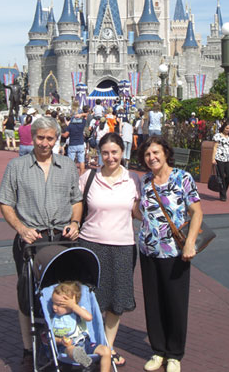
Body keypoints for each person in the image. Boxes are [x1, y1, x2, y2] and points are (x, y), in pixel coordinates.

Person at [0, 116, 83, 370]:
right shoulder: (16, 166)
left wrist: (75, 223)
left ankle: (64, 342)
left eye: (50, 138)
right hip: (31, 239)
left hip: (62, 238)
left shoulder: (67, 166)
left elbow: (76, 200)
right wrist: (21, 228)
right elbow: (5, 202)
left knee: (64, 294)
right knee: (26, 295)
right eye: (40, 137)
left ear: (57, 139)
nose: (45, 143)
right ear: (31, 137)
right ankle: (28, 347)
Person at [137, 136, 203, 372]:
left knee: (175, 302)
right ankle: (158, 351)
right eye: (147, 154)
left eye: (155, 152)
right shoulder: (144, 180)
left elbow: (196, 212)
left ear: (165, 153)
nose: (151, 158)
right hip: (148, 250)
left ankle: (174, 354)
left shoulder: (182, 178)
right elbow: (140, 211)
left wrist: (190, 243)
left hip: (175, 252)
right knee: (153, 302)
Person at [78, 132, 140, 367]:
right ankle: (90, 343)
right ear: (99, 154)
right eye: (105, 153)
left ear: (122, 153)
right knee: (90, 299)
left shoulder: (133, 179)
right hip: (90, 244)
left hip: (123, 246)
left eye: (114, 152)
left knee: (116, 300)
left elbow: (137, 213)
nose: (110, 157)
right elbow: (76, 206)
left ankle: (108, 346)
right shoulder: (89, 177)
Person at [51, 281, 111, 372]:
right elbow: (50, 337)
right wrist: (60, 341)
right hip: (67, 346)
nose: (54, 307)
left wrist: (73, 306)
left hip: (85, 343)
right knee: (71, 349)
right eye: (53, 303)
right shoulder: (55, 319)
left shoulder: (79, 311)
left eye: (59, 305)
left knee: (106, 350)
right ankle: (85, 360)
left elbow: (89, 317)